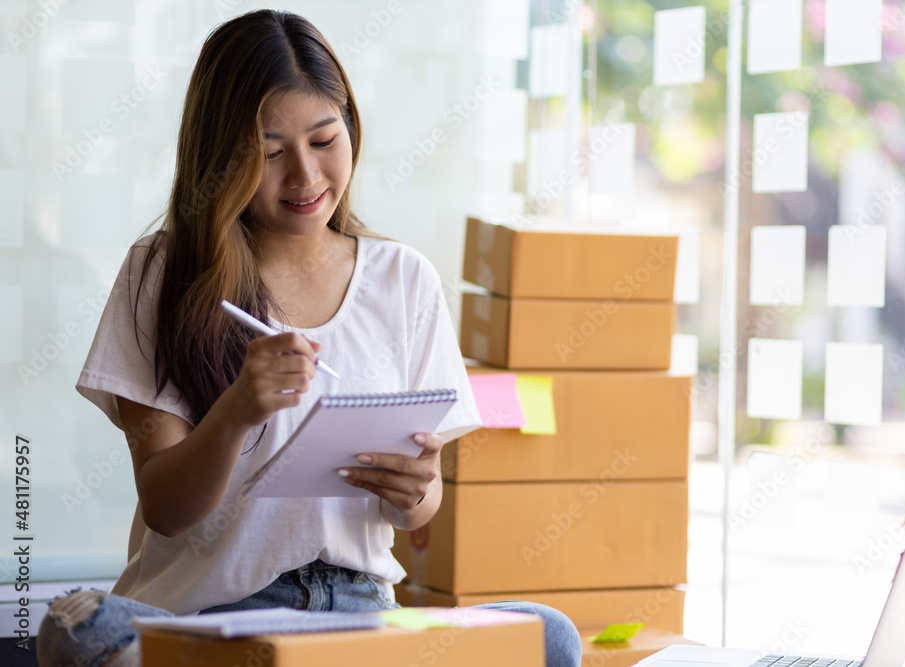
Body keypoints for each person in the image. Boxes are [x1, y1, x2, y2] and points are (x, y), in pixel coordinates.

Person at [37, 9, 581, 667]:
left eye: (324, 140)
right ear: (220, 155)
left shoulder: (402, 277)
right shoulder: (162, 272)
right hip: (211, 617)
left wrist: (418, 491)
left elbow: (419, 512)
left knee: (550, 633)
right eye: (269, 153)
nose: (304, 177)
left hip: (360, 614)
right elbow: (166, 511)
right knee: (82, 627)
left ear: (350, 127)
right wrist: (239, 408)